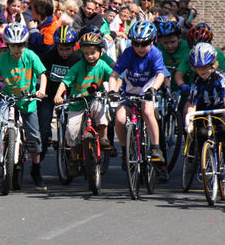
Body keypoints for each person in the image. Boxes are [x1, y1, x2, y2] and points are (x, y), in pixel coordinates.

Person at [0, 23, 48, 191]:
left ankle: (36, 171)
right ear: (8, 45)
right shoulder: (1, 59)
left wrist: (41, 90)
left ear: (25, 44)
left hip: (28, 101)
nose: (17, 49)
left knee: (34, 137)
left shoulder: (30, 56)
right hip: (7, 99)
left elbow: (42, 74)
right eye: (14, 45)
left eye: (20, 45)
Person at [108, 20, 168, 167]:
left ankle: (156, 148)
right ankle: (125, 151)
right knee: (120, 118)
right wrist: (112, 91)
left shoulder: (155, 53)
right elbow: (114, 74)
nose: (140, 48)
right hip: (129, 91)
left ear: (152, 41)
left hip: (147, 90)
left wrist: (153, 89)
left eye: (144, 43)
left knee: (147, 112)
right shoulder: (128, 53)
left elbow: (160, 74)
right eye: (136, 43)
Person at [53, 32, 112, 174]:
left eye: (93, 53)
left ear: (101, 52)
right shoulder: (78, 66)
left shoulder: (103, 65)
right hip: (77, 102)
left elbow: (113, 77)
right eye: (86, 53)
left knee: (101, 108)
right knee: (71, 132)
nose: (90, 56)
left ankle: (103, 137)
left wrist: (114, 90)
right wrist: (58, 95)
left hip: (94, 99)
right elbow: (65, 81)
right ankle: (74, 159)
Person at [185, 42, 225, 181]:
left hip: (219, 108)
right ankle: (203, 163)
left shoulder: (220, 77)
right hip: (203, 111)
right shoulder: (196, 81)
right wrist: (189, 122)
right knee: (200, 133)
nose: (202, 71)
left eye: (205, 67)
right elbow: (192, 104)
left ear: (212, 64)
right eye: (198, 68)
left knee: (224, 131)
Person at [38, 25, 82, 158]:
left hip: (70, 96)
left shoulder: (77, 59)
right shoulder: (47, 56)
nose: (64, 52)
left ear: (74, 46)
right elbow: (39, 72)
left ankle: (74, 152)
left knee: (73, 126)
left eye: (68, 49)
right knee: (44, 127)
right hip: (49, 94)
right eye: (61, 49)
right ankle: (40, 156)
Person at [175, 23, 225, 95]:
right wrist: (182, 85)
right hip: (196, 90)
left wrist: (222, 86)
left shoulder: (216, 53)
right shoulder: (189, 54)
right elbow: (179, 73)